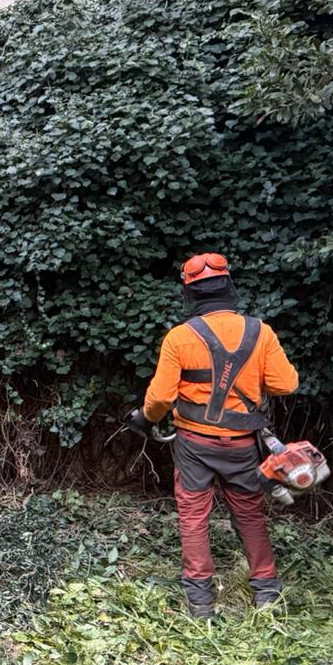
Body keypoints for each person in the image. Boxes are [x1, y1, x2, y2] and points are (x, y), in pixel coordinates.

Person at [127, 253, 299, 618]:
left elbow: (159, 398)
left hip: (194, 445)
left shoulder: (180, 337)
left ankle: (200, 603)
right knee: (250, 514)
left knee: (193, 516)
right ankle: (267, 592)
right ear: (228, 286)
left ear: (190, 292)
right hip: (243, 444)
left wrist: (147, 418)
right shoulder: (260, 332)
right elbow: (286, 384)